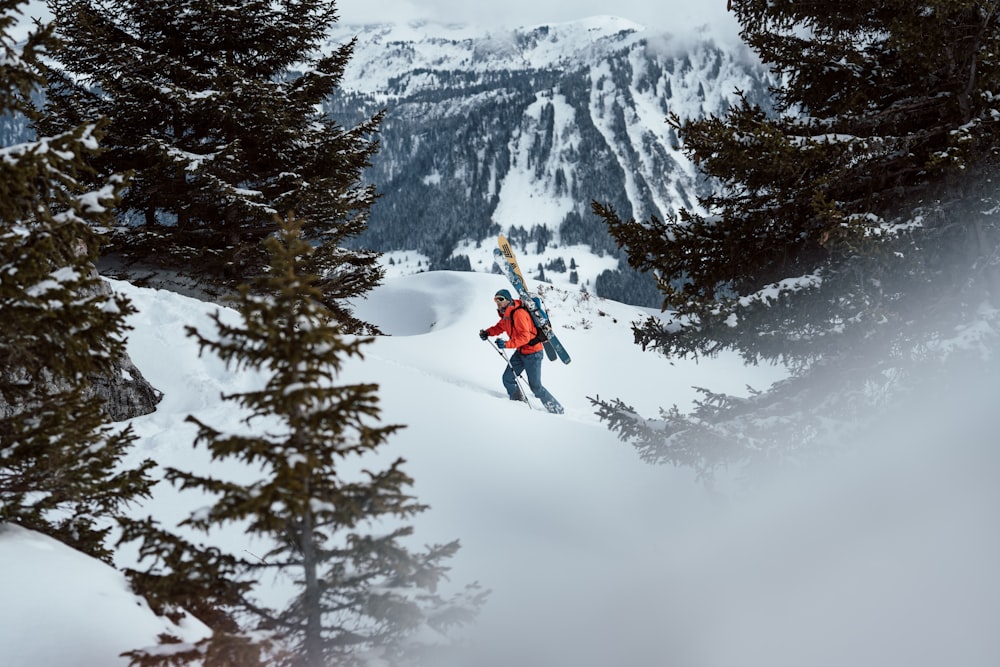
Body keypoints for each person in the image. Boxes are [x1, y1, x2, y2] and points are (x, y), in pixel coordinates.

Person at [479, 289, 564, 414]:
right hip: (520, 352)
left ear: (508, 300)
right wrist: (487, 332)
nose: (498, 302)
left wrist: (507, 344)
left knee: (536, 387)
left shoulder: (519, 314)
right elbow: (499, 327)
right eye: (495, 300)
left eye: (501, 299)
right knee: (507, 378)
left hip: (533, 354)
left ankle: (557, 410)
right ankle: (519, 405)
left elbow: (525, 337)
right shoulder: (507, 315)